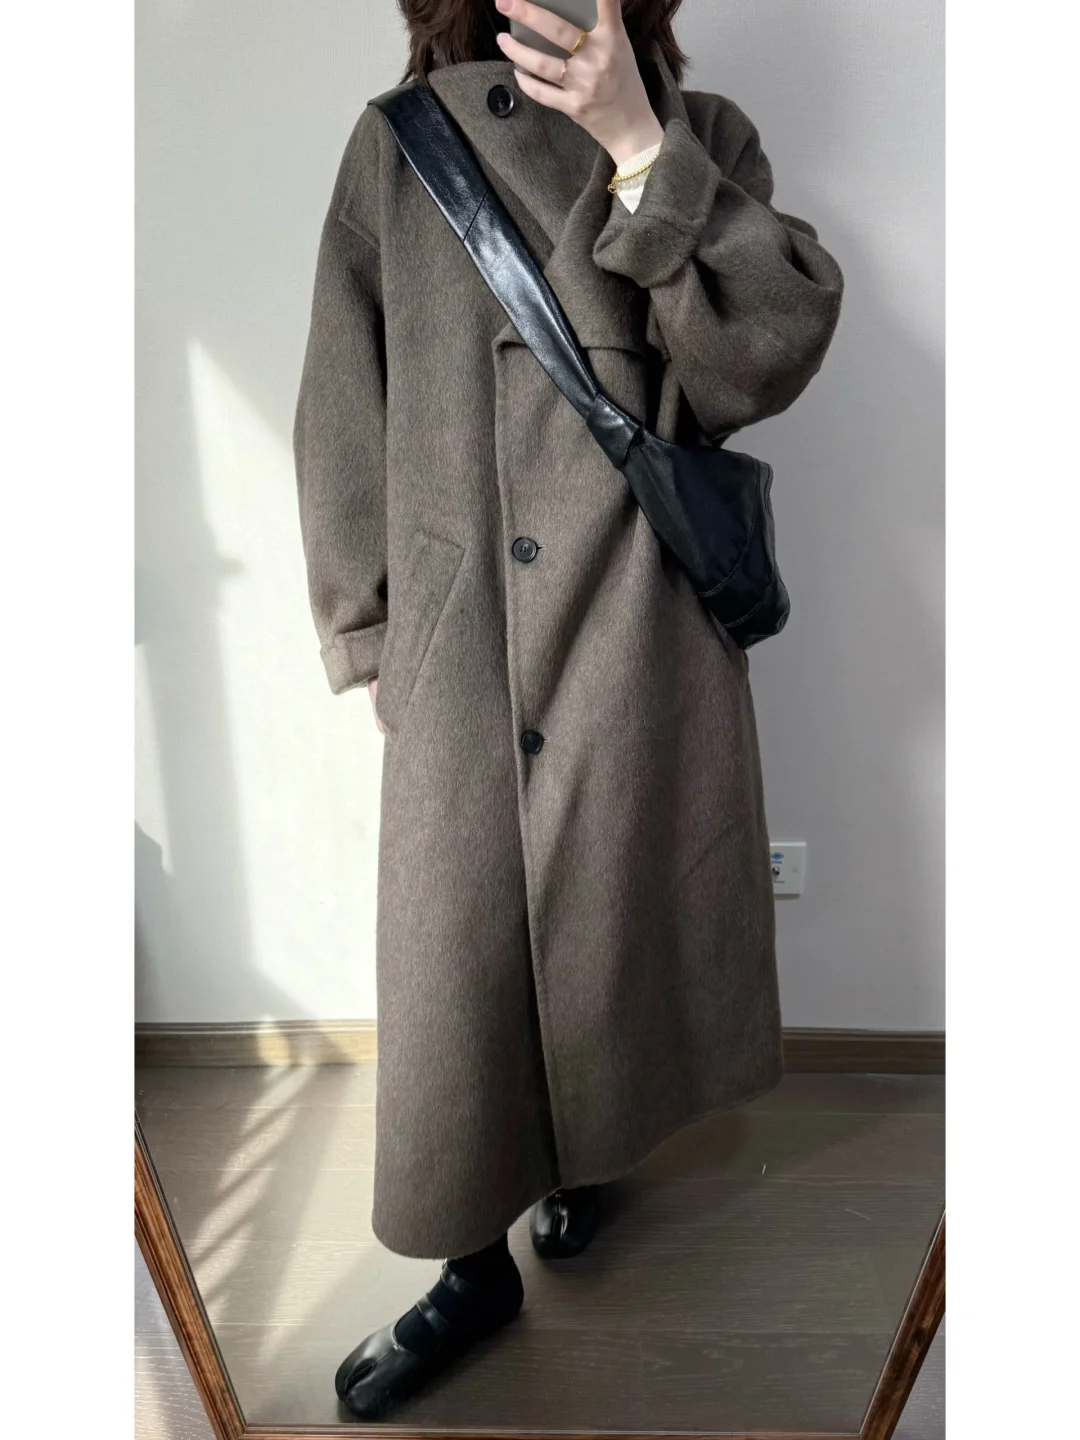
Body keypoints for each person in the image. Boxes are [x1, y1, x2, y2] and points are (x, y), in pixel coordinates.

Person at [293, 0, 843, 1420]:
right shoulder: (399, 146)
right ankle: (469, 1267)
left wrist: (640, 145)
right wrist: (369, 624)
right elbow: (341, 399)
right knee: (458, 954)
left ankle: (587, 1153)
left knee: (614, 919)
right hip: (463, 625)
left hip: (637, 622)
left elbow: (758, 363)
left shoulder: (705, 141)